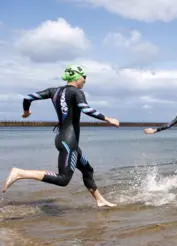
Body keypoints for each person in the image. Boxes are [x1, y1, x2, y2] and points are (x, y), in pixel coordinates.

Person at [2, 64, 120, 208]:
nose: (85, 80)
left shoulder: (54, 91)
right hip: (68, 141)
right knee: (63, 179)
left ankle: (100, 200)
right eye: (84, 77)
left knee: (87, 170)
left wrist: (26, 112)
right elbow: (85, 108)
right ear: (76, 77)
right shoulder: (76, 92)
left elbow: (28, 97)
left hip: (66, 140)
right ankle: (20, 173)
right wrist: (107, 118)